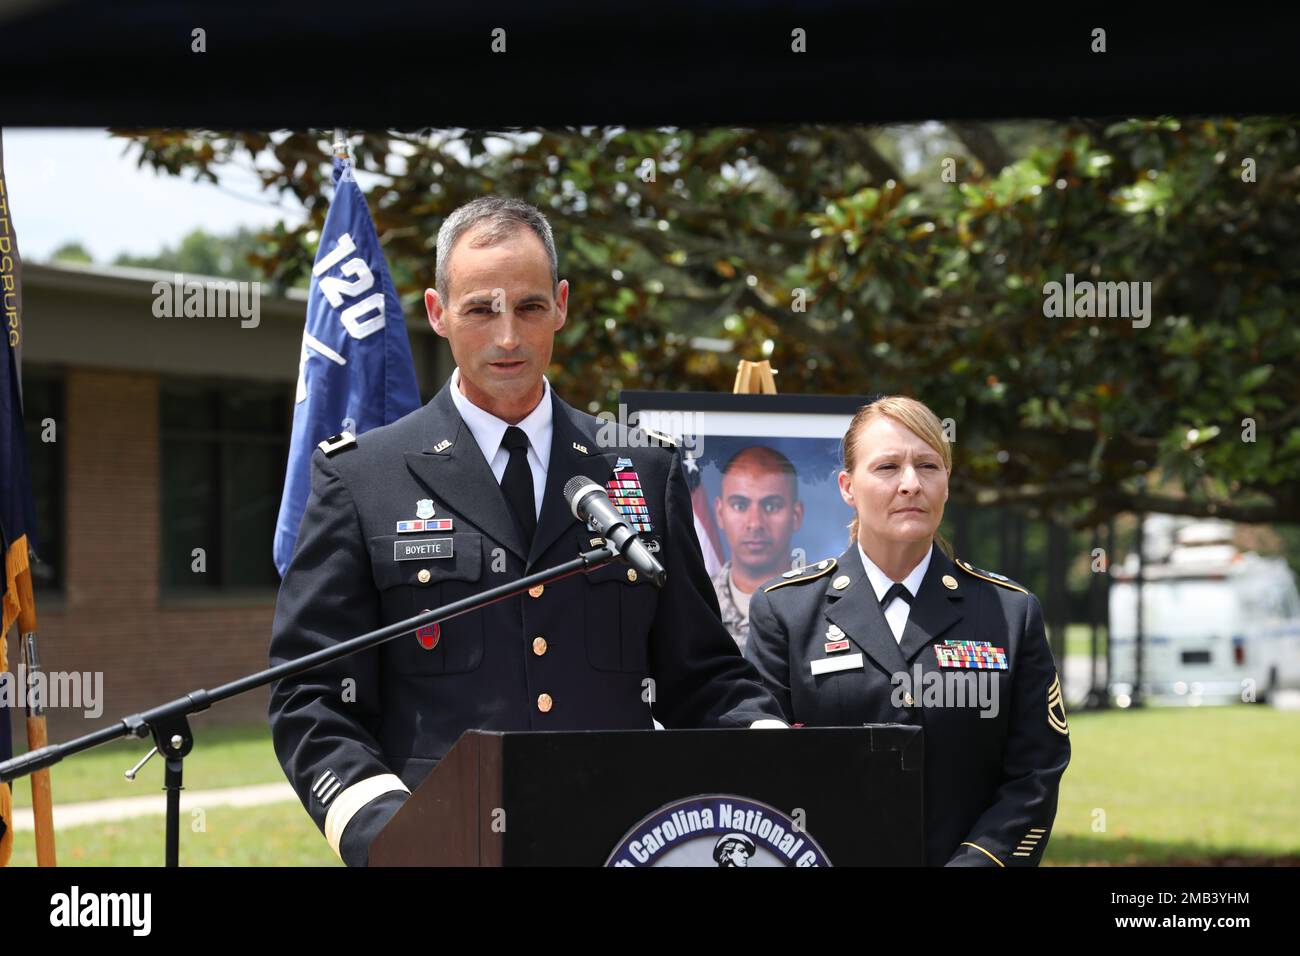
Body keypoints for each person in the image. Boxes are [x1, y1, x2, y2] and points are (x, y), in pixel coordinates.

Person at [268, 197, 786, 867]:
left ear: (562, 305)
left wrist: (776, 745)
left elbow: (701, 677)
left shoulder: (643, 470)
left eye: (531, 307)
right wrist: (384, 829)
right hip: (444, 848)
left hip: (623, 842)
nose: (507, 337)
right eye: (481, 309)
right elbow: (311, 693)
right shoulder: (364, 479)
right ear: (437, 312)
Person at [743, 396, 1070, 866]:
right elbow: (765, 772)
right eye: (887, 467)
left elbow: (1036, 773)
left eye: (928, 465)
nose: (911, 484)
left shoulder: (1009, 612)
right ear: (847, 486)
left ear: (947, 484)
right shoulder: (786, 612)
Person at [710, 446, 804, 651]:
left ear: (796, 515)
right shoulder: (694, 603)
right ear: (719, 513)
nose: (755, 523)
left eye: (771, 506)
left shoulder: (828, 604)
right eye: (740, 505)